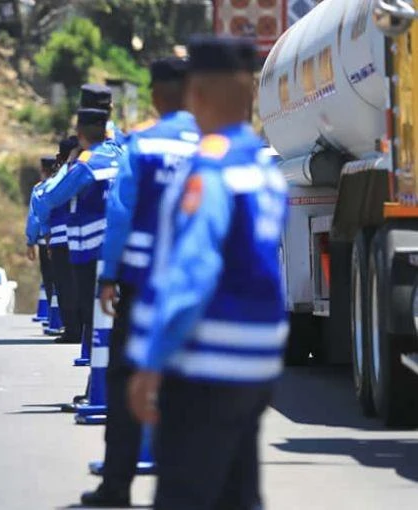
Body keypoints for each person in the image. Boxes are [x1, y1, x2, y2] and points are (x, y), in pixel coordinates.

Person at [127, 35, 289, 510]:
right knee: (238, 496)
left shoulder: (210, 172)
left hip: (203, 366)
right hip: (256, 366)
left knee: (184, 495)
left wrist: (152, 361)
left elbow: (192, 275)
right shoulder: (263, 168)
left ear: (195, 94)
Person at [81, 56, 199, 508]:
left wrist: (109, 276)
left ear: (154, 94)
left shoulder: (142, 146)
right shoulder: (215, 147)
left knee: (126, 383)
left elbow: (120, 213)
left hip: (143, 287)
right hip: (196, 289)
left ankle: (117, 486)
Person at [32, 107, 131, 361]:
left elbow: (52, 197)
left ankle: (98, 379)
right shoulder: (123, 156)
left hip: (87, 249)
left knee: (91, 311)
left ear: (80, 133)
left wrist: (68, 164)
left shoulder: (86, 164)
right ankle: (101, 376)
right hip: (119, 245)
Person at [47, 136, 81, 344]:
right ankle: (82, 329)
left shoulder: (62, 177)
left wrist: (40, 232)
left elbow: (44, 201)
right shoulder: (88, 170)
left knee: (65, 287)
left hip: (61, 240)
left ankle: (72, 330)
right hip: (83, 238)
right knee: (80, 285)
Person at [26, 157, 55, 315]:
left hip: (45, 242)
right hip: (67, 240)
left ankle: (54, 315)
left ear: (43, 170)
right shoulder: (63, 185)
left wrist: (31, 241)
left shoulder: (39, 189)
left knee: (49, 280)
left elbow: (34, 218)